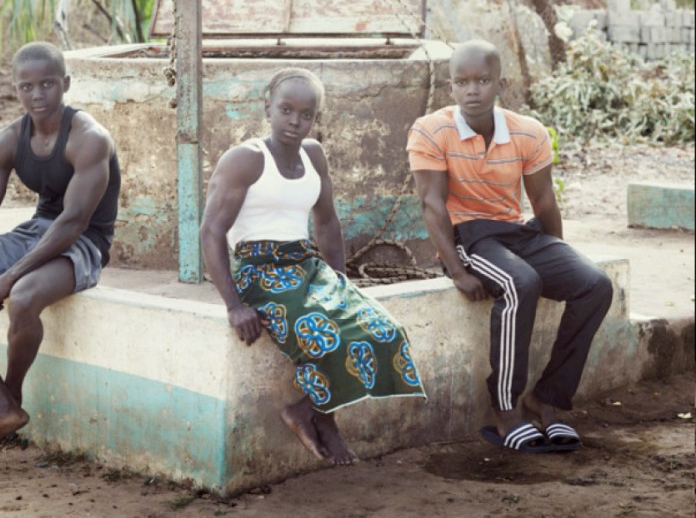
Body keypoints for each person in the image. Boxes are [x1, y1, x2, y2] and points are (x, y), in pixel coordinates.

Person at [200, 68, 426, 465]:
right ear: (266, 107)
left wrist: (340, 281)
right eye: (285, 110)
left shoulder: (313, 155)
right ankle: (326, 422)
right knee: (324, 335)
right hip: (260, 272)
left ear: (315, 117)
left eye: (306, 114)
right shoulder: (245, 160)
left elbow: (327, 221)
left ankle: (307, 411)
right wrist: (234, 305)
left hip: (306, 265)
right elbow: (211, 233)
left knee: (384, 330)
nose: (294, 121)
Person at [408, 39, 612, 453]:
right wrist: (457, 270)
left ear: (500, 83)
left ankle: (548, 399)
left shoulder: (528, 131)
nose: (472, 91)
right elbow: (432, 205)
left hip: (516, 232)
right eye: (462, 82)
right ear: (451, 88)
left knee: (595, 285)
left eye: (483, 80)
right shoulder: (430, 129)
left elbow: (544, 203)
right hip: (467, 236)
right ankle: (505, 411)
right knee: (520, 282)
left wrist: (560, 258)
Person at [0, 41, 120, 446]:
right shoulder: (7, 140)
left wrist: (7, 278)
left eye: (48, 84)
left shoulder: (89, 138)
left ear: (65, 84)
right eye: (27, 87)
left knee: (26, 295)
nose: (38, 95)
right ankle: (3, 405)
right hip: (38, 231)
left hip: (84, 241)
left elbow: (73, 222)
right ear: (15, 89)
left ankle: (10, 397)